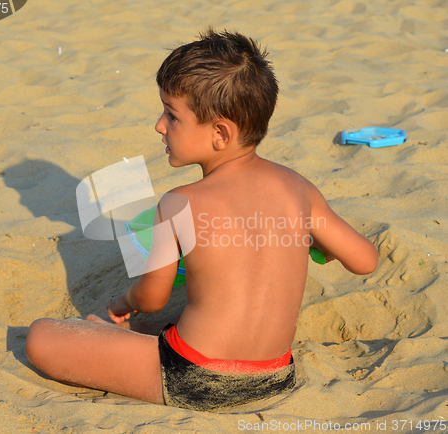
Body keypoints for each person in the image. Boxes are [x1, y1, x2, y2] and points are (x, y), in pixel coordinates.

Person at [26, 29, 378, 412]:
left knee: (41, 337)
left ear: (220, 133)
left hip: (194, 376)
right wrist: (317, 239)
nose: (160, 125)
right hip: (275, 377)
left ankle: (119, 332)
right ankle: (136, 336)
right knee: (203, 305)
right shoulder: (300, 189)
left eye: (172, 115)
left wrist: (122, 303)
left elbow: (153, 295)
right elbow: (365, 261)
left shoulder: (180, 203)